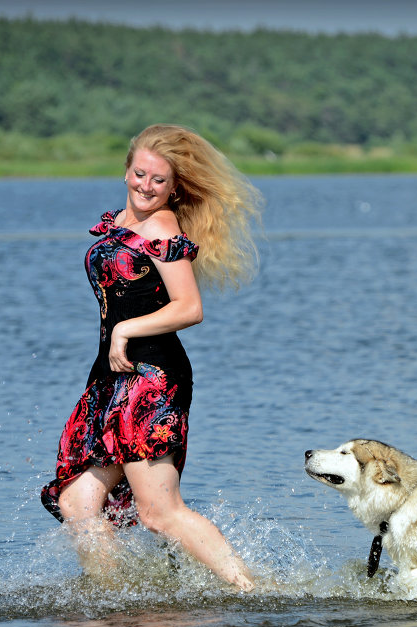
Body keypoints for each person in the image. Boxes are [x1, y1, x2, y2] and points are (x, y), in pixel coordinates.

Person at [41, 124, 261, 591]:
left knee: (160, 512)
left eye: (158, 181)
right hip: (110, 378)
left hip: (151, 378)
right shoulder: (121, 224)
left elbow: (189, 307)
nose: (146, 186)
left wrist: (126, 330)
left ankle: (254, 592)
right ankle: (117, 600)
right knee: (78, 504)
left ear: (174, 187)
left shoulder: (161, 227)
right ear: (126, 171)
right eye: (139, 174)